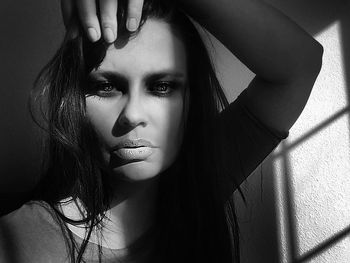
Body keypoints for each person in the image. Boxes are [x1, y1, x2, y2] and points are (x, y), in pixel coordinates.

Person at [0, 0, 323, 262]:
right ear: (72, 100)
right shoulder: (19, 240)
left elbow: (299, 64)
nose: (133, 115)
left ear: (191, 97)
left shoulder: (201, 180)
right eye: (107, 86)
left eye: (162, 86)